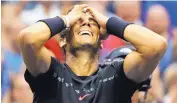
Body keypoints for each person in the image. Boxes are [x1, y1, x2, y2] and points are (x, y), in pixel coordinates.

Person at [17, 4, 167, 103]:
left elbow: (156, 45)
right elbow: (28, 38)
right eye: (78, 21)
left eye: (93, 22)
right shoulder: (51, 72)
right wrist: (67, 19)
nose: (86, 23)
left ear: (101, 41)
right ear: (63, 41)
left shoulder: (116, 74)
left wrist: (108, 22)